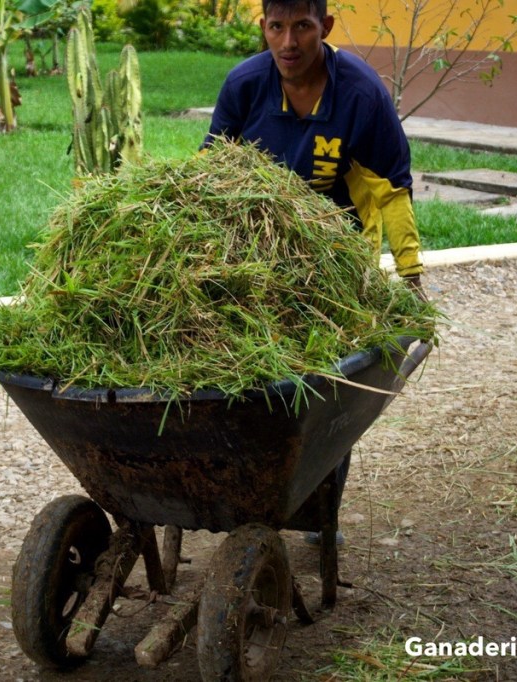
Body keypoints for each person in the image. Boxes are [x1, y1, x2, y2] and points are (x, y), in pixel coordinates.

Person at [202, 0, 426, 545]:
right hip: (248, 256)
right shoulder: (245, 85)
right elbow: (208, 179)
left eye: (301, 26)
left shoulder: (360, 95)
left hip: (333, 257)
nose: (288, 42)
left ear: (323, 28)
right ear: (264, 28)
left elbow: (390, 192)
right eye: (276, 27)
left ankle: (319, 504)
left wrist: (411, 276)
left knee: (325, 388)